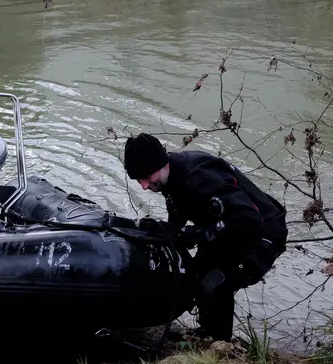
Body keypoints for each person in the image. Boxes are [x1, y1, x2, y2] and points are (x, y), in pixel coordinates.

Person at [123, 133, 288, 341]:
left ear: (160, 163)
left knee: (216, 283)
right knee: (194, 275)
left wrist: (196, 234)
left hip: (263, 231)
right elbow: (179, 216)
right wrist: (163, 231)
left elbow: (249, 219)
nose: (145, 186)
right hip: (230, 228)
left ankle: (220, 346)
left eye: (146, 177)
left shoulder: (201, 178)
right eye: (139, 180)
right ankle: (206, 333)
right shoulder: (169, 178)